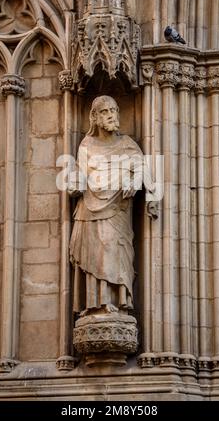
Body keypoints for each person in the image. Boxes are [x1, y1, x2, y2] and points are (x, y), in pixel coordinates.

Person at [69, 95, 145, 316]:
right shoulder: (87, 144)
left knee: (114, 248)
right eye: (105, 111)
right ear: (94, 117)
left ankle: (118, 300)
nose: (111, 115)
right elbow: (79, 175)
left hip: (117, 210)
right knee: (95, 251)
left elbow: (142, 168)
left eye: (114, 110)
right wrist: (75, 182)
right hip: (89, 209)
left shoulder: (127, 144)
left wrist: (134, 180)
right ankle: (96, 304)